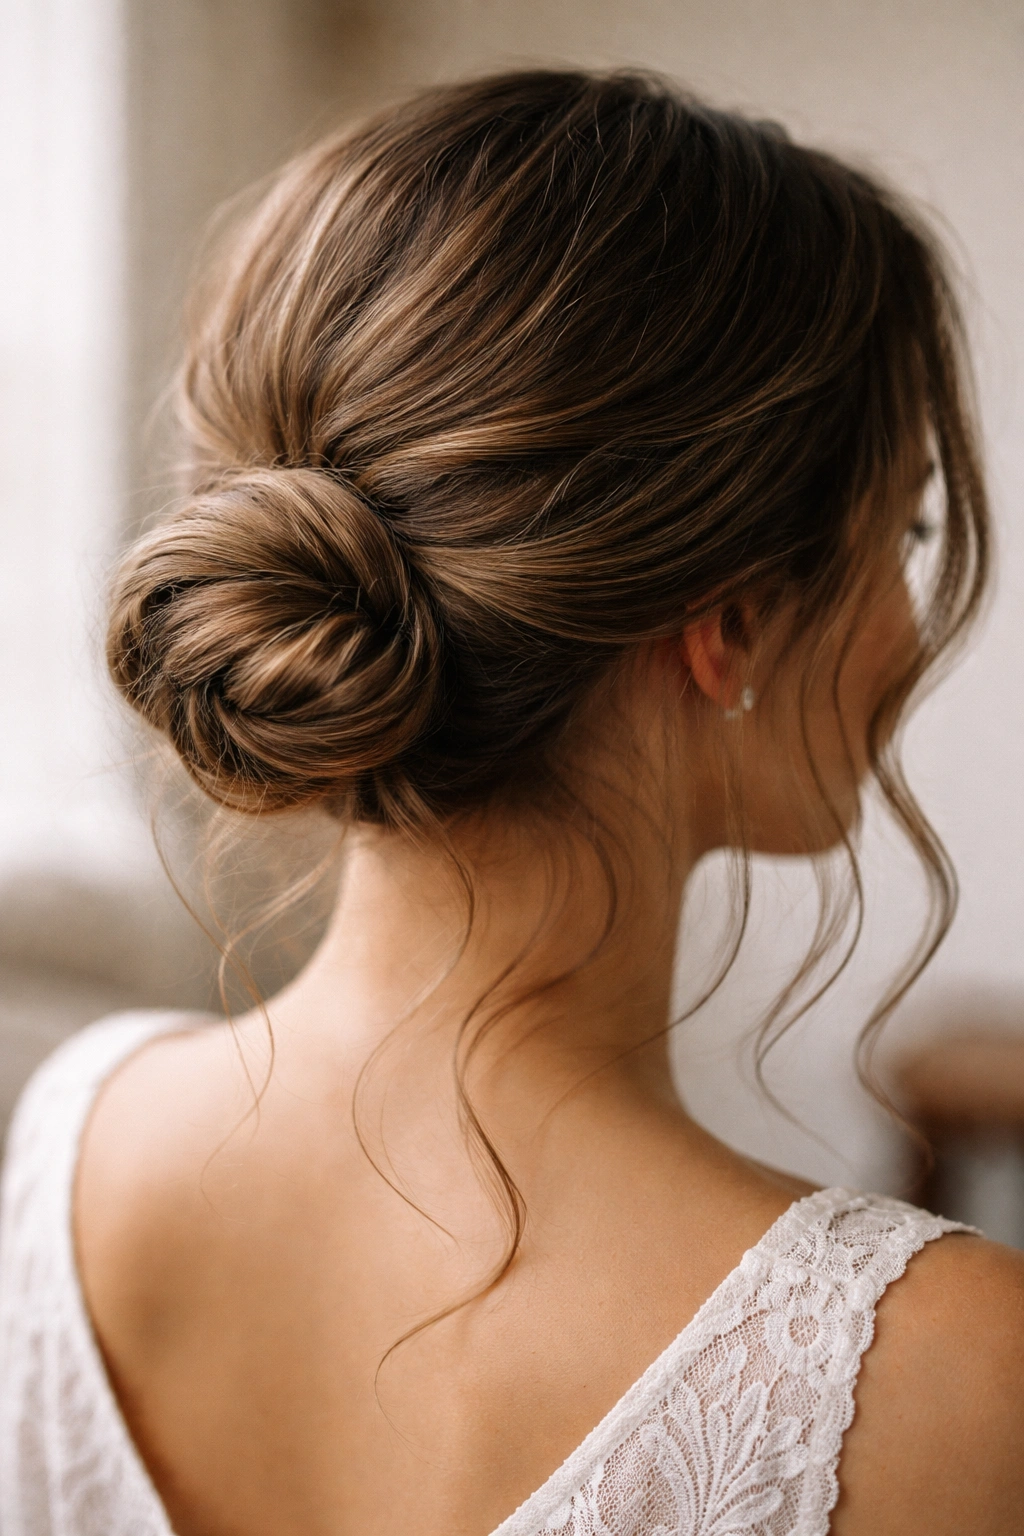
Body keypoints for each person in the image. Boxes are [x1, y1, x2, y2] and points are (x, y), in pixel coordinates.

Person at [1, 69, 1021, 1536]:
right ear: (727, 622)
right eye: (904, 529)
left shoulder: (68, 1153)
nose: (912, 635)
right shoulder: (951, 1378)